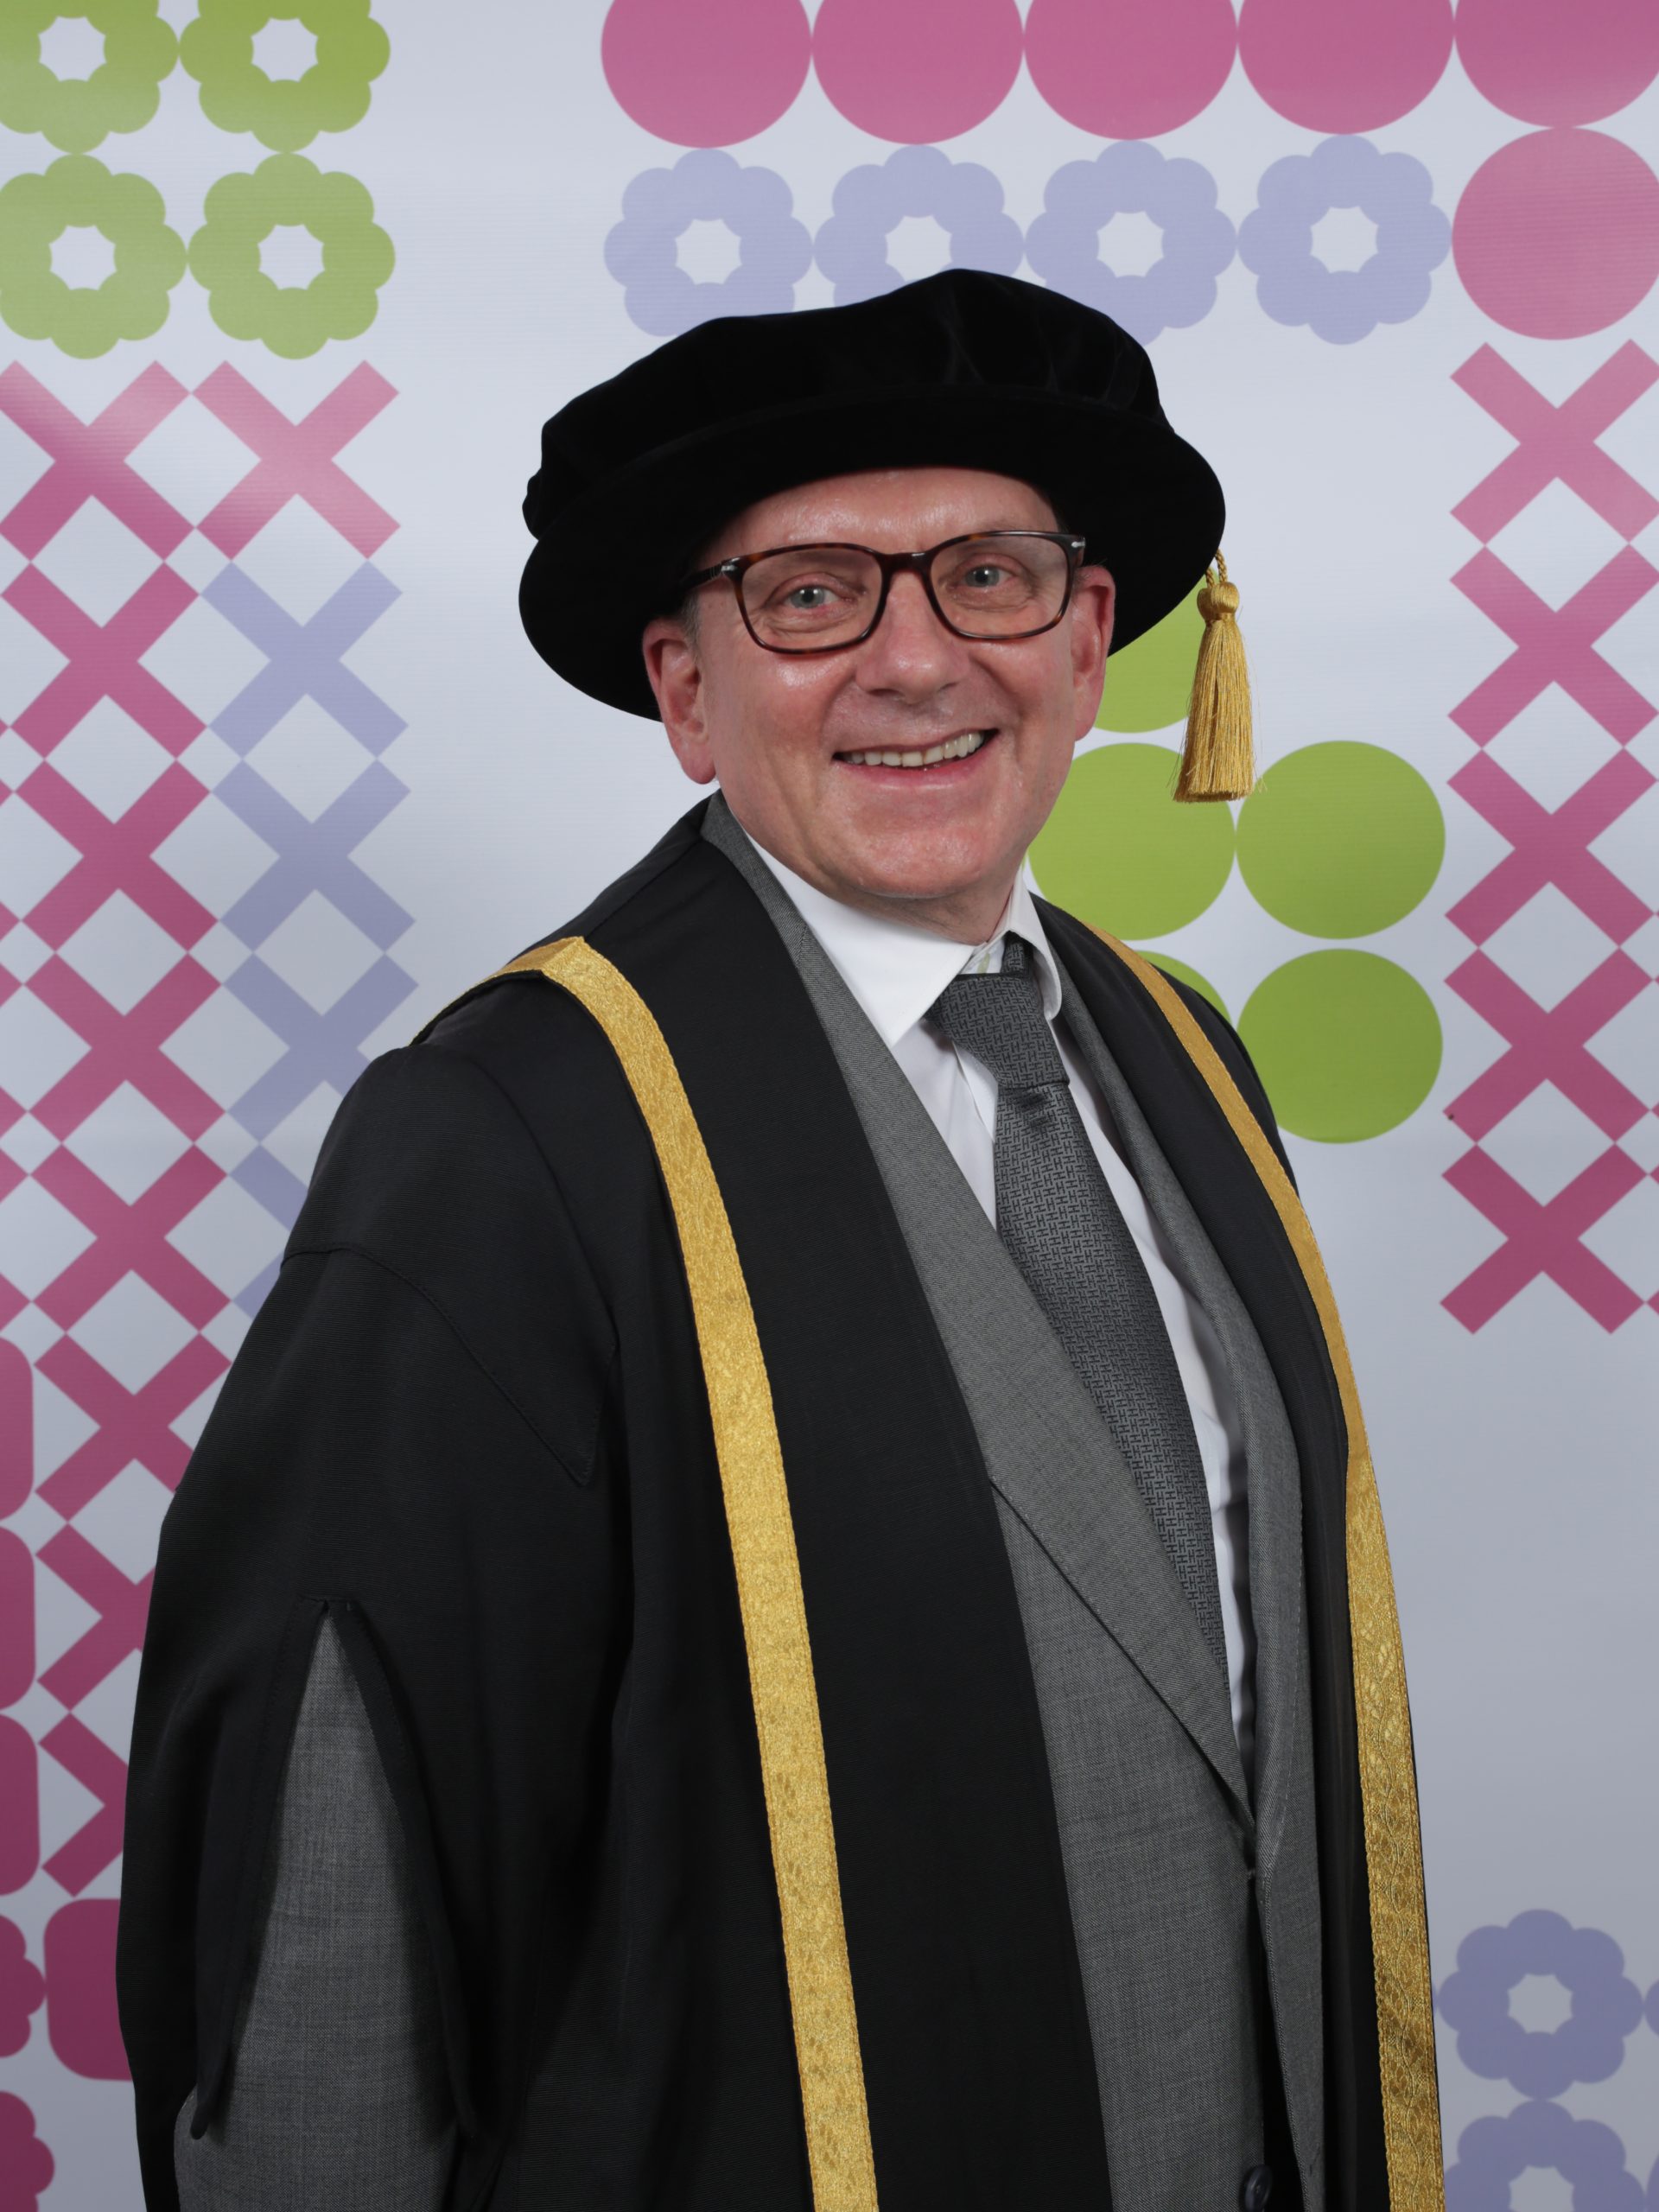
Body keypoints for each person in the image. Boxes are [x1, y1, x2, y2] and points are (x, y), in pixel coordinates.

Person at [118, 269, 1443, 2212]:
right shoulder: (514, 1131)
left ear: (1088, 639)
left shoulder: (1180, 1058)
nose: (917, 663)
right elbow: (340, 1863)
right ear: (683, 686)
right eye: (813, 595)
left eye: (988, 575)